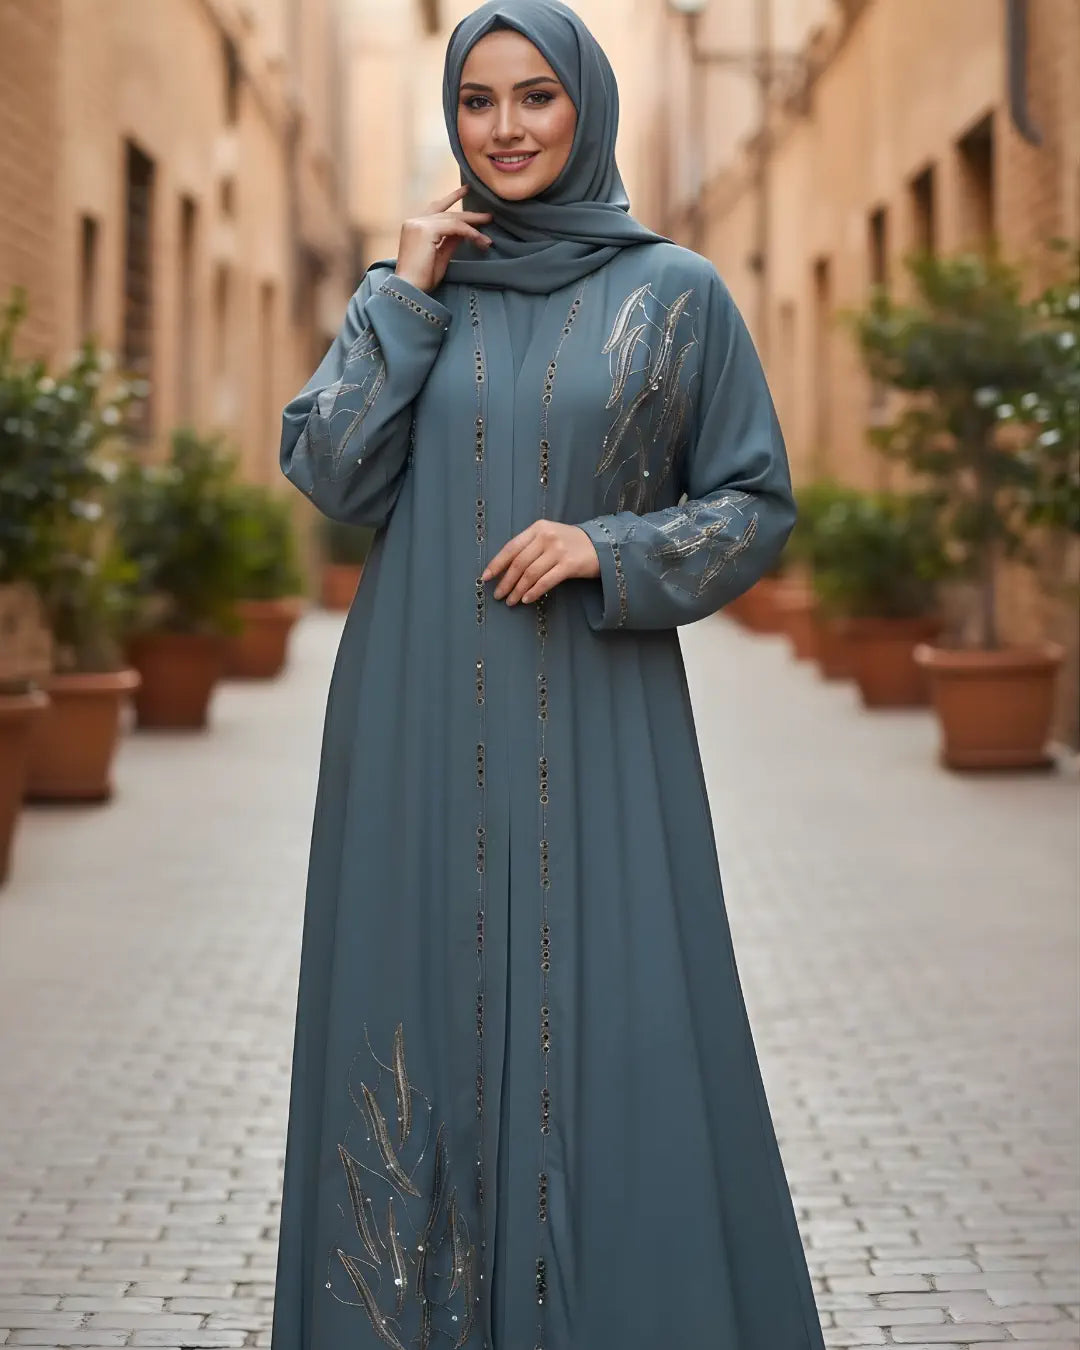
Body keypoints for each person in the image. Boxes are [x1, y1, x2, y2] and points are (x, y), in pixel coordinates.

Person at [270, 2, 825, 1347]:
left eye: (535, 97)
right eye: (478, 102)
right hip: (410, 711)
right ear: (452, 119)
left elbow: (755, 500)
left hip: (594, 711)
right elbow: (331, 472)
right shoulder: (416, 286)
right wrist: (401, 289)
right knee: (414, 1005)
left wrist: (606, 542)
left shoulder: (676, 292)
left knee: (610, 1012)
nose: (506, 127)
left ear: (587, 107)